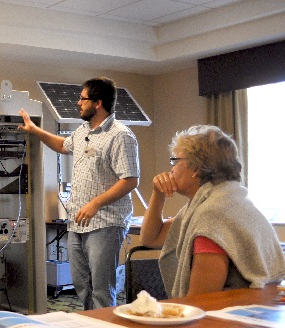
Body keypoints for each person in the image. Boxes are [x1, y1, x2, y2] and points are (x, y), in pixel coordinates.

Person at [19, 77, 140, 309]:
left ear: (98, 103)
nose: (78, 103)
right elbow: (63, 146)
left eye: (83, 99)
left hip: (105, 223)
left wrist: (95, 204)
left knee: (102, 288)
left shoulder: (120, 135)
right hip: (77, 223)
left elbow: (130, 180)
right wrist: (35, 131)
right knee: (81, 285)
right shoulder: (83, 130)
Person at [139, 124, 285, 297]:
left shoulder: (211, 215)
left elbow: (200, 300)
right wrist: (158, 195)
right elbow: (150, 238)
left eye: (175, 161)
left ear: (196, 168)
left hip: (232, 316)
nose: (171, 168)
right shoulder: (229, 200)